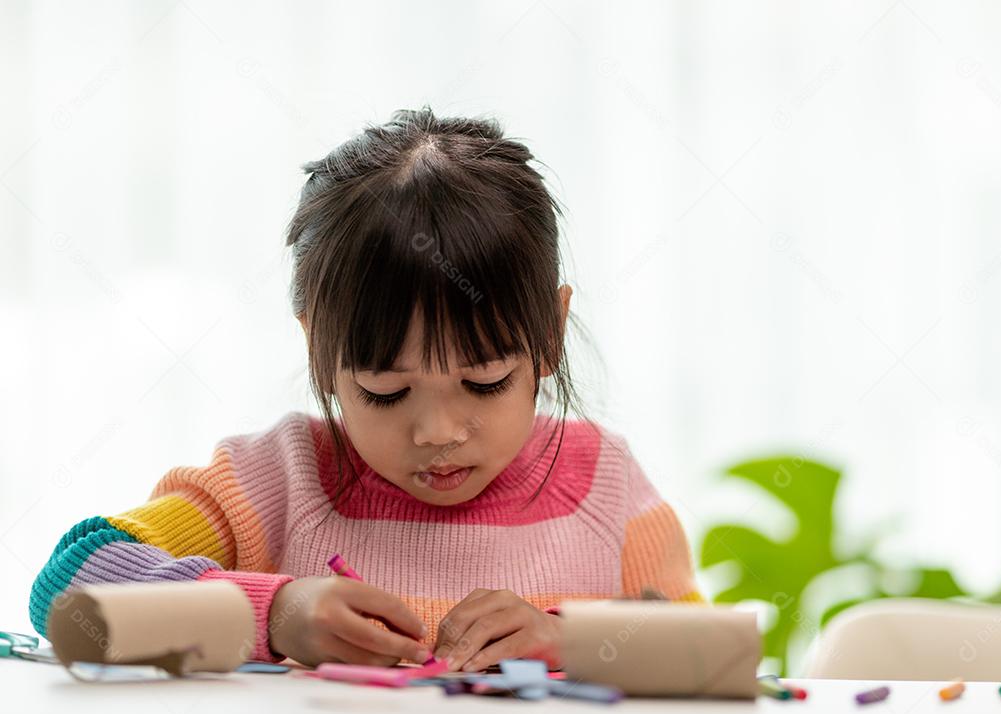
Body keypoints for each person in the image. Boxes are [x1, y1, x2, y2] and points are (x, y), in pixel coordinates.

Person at [28, 108, 703, 671]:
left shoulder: (604, 485)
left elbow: (711, 656)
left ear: (550, 337)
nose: (438, 431)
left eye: (486, 381)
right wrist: (275, 613)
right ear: (318, 347)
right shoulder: (276, 482)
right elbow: (68, 588)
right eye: (385, 391)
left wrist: (570, 642)